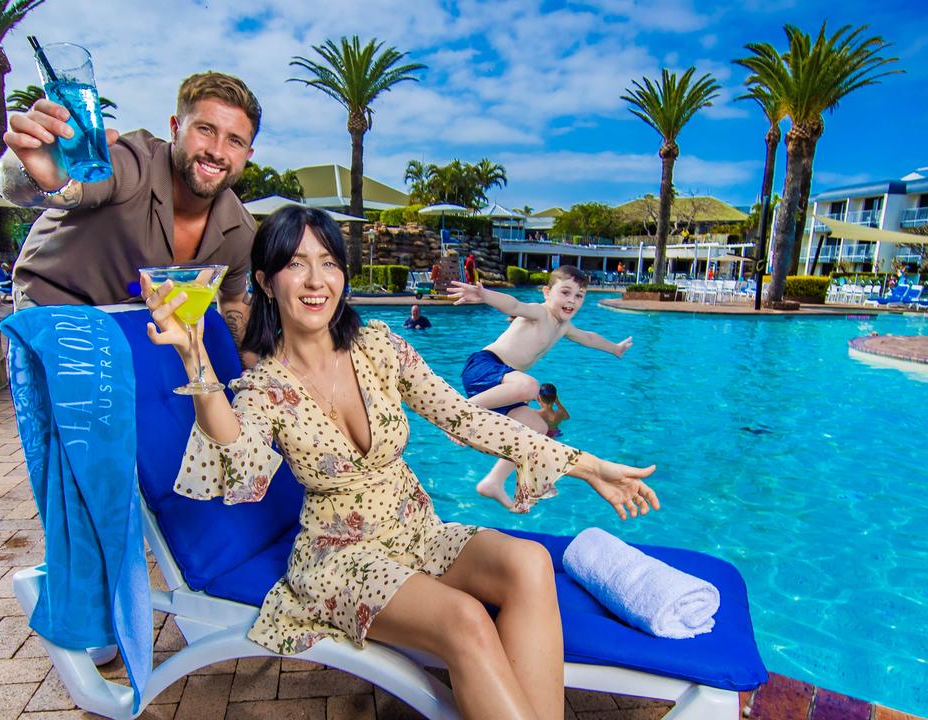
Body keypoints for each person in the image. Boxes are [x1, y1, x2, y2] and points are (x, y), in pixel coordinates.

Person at [142, 205, 658, 720]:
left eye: (329, 262)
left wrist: (589, 465)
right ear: (266, 281)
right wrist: (197, 362)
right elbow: (240, 462)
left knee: (529, 562)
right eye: (296, 264)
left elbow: (464, 417)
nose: (316, 280)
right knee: (465, 620)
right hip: (337, 556)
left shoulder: (380, 347)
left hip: (417, 531)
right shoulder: (264, 388)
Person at [0, 72, 259, 349]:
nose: (217, 151)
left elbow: (233, 302)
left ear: (248, 154)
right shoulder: (131, 163)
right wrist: (35, 173)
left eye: (234, 141)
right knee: (75, 391)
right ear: (175, 128)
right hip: (53, 304)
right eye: (205, 129)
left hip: (133, 324)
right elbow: (44, 185)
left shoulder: (240, 230)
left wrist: (248, 376)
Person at [448, 266, 633, 507]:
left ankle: (493, 482)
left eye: (579, 295)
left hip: (505, 385)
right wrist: (485, 295)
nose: (572, 300)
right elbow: (513, 305)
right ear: (547, 293)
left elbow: (588, 337)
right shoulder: (540, 313)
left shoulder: (563, 327)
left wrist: (615, 348)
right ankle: (459, 415)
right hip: (485, 366)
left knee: (538, 427)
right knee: (530, 386)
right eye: (565, 292)